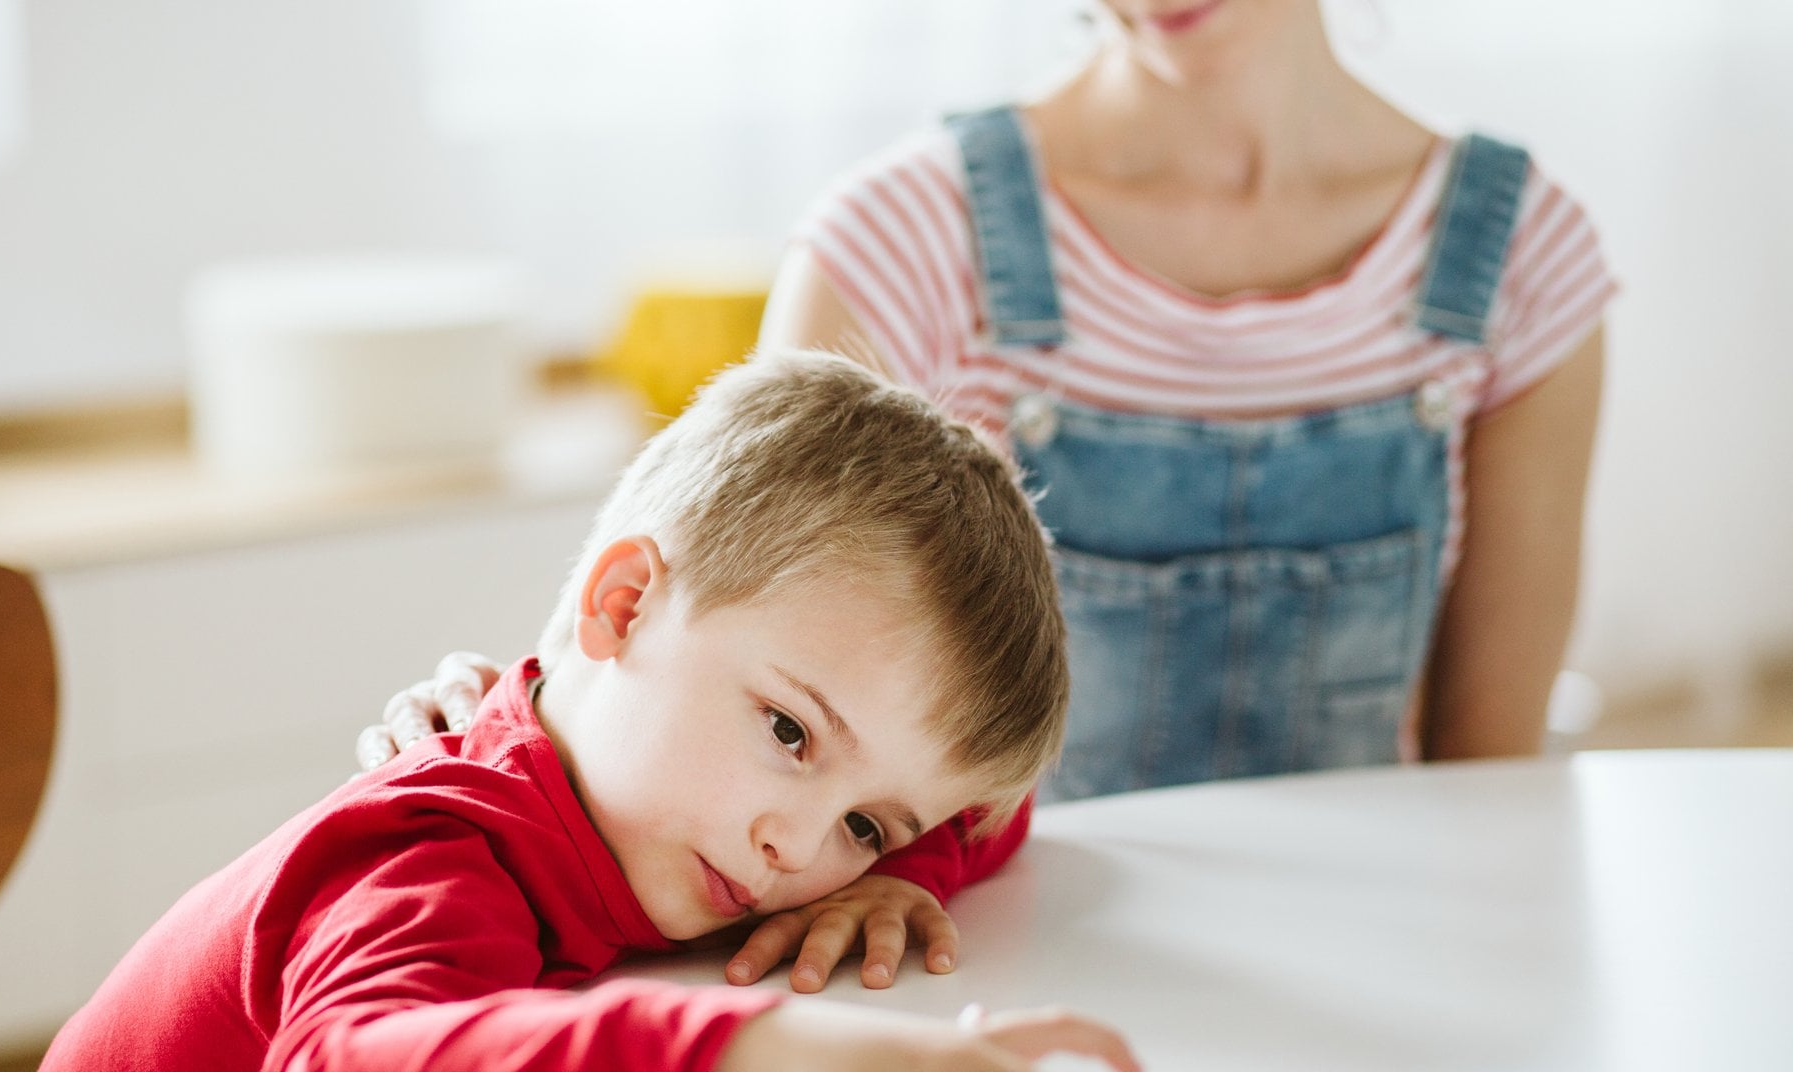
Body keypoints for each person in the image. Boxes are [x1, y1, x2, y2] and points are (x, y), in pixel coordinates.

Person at [366, 0, 1613, 994]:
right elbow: (662, 647)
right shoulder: (905, 234)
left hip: (1359, 967)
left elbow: (1478, 786)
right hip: (987, 963)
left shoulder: (1519, 254)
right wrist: (485, 724)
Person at [0, 352, 1140, 1072]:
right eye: (788, 732)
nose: (796, 848)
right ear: (620, 607)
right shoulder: (432, 850)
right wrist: (760, 1058)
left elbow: (989, 813)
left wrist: (895, 869)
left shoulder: (686, 820)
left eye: (867, 820)